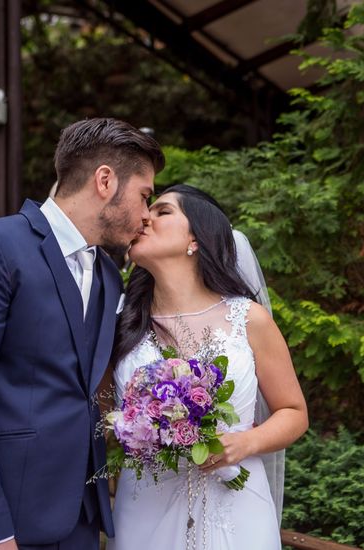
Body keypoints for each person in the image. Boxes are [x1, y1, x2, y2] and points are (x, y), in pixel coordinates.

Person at [0, 118, 164, 550]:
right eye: (144, 195)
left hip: (80, 517)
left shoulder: (108, 274)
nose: (145, 214)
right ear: (105, 180)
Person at [108, 184, 308, 549]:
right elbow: (101, 413)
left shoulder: (249, 319)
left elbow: (294, 412)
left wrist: (245, 442)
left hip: (235, 506)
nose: (145, 217)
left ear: (196, 239)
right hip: (144, 506)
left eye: (163, 211)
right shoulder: (120, 322)